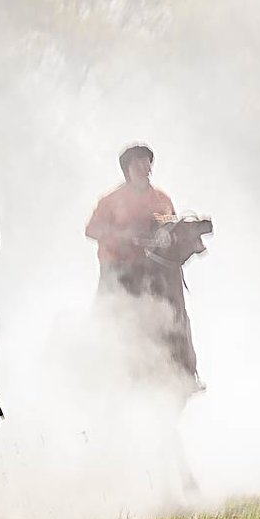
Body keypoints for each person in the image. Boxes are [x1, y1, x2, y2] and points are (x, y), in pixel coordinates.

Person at [86, 143, 199, 381]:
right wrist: (123, 235)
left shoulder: (162, 199)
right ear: (127, 169)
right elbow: (92, 230)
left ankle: (186, 369)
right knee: (109, 312)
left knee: (177, 309)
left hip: (156, 269)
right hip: (120, 267)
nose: (143, 167)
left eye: (146, 162)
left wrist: (184, 239)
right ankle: (95, 367)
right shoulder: (110, 200)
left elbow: (172, 227)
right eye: (137, 163)